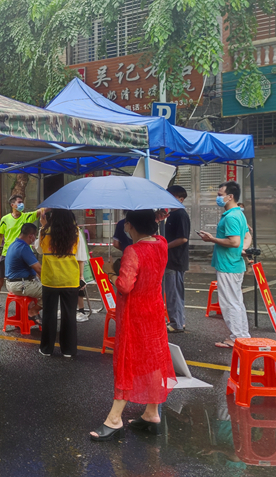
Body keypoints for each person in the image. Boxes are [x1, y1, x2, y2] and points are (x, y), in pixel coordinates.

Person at [90, 209, 176, 441]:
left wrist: (111, 274)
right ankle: (151, 412)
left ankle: (115, 418)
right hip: (156, 310)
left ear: (130, 226)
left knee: (128, 361)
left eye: (126, 224)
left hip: (135, 314)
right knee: (154, 359)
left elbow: (126, 286)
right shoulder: (161, 243)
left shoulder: (133, 250)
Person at [197, 180, 250, 348]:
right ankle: (242, 335)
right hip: (233, 263)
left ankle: (236, 338)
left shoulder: (232, 217)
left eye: (220, 195)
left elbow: (234, 242)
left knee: (229, 303)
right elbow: (245, 238)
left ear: (230, 196)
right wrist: (243, 248)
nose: (218, 198)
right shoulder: (238, 213)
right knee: (236, 301)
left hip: (228, 265)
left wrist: (211, 239)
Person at [38, 209, 82, 359]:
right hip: (70, 278)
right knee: (69, 315)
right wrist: (81, 277)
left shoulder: (45, 231)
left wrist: (43, 227)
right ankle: (68, 350)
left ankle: (46, 349)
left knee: (49, 314)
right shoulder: (76, 232)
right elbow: (81, 256)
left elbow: (39, 249)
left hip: (50, 279)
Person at [0, 195, 40, 307]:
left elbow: (40, 211)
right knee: (0, 276)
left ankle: (28, 301)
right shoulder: (5, 219)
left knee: (30, 274)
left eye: (22, 202)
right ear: (12, 205)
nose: (21, 204)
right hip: (7, 252)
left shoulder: (26, 216)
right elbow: (0, 235)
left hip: (24, 252)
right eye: (19, 202)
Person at [163, 186, 190, 333]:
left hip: (176, 259)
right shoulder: (170, 214)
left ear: (180, 199)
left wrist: (164, 246)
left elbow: (183, 238)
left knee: (174, 293)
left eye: (171, 196)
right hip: (171, 259)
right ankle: (178, 321)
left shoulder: (180, 214)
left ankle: (177, 323)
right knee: (172, 292)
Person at [5, 223, 42, 323]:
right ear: (31, 236)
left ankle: (31, 309)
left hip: (12, 283)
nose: (35, 238)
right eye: (35, 236)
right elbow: (38, 269)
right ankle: (33, 311)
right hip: (20, 284)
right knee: (50, 292)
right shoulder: (23, 248)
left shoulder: (14, 244)